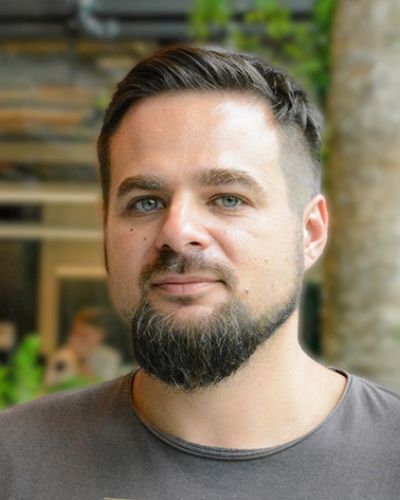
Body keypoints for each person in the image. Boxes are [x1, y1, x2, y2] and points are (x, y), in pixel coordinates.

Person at [1, 46, 400, 500]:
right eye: (145, 202)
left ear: (309, 233)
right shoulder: (14, 463)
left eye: (228, 198)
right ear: (105, 229)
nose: (177, 232)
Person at [44, 308, 122, 386]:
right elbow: (50, 385)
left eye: (84, 335)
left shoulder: (108, 357)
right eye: (76, 333)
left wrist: (82, 362)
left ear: (100, 336)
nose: (74, 339)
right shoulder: (63, 357)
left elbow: (107, 388)